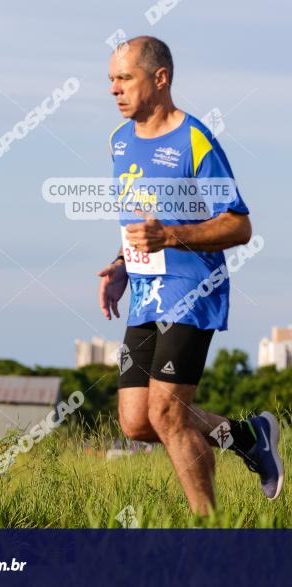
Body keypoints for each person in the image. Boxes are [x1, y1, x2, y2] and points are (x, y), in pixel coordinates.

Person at [98, 37, 283, 514]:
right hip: (145, 292)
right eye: (111, 80)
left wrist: (174, 236)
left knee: (167, 412)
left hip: (192, 290)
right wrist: (121, 264)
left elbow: (239, 224)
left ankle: (209, 532)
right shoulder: (119, 141)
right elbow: (139, 217)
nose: (114, 90)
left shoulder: (195, 140)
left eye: (125, 78)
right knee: (138, 423)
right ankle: (247, 435)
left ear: (160, 79)